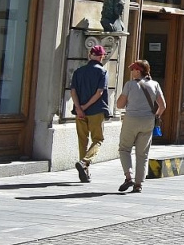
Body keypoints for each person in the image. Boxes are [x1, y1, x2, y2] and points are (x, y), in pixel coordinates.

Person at [115, 60, 165, 194]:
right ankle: (138, 185)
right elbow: (163, 105)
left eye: (133, 69)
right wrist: (156, 116)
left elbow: (119, 105)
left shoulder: (130, 85)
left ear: (138, 71)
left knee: (124, 149)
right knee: (143, 154)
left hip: (131, 120)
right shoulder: (155, 84)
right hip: (148, 120)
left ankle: (129, 176)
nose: (131, 72)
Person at [70, 45, 110, 183]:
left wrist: (79, 108)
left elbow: (73, 91)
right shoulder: (102, 72)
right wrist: (85, 106)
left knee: (82, 140)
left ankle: (84, 172)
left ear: (90, 55)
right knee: (98, 139)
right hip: (96, 111)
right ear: (102, 56)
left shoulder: (78, 71)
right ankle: (85, 162)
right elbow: (99, 92)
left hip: (79, 112)